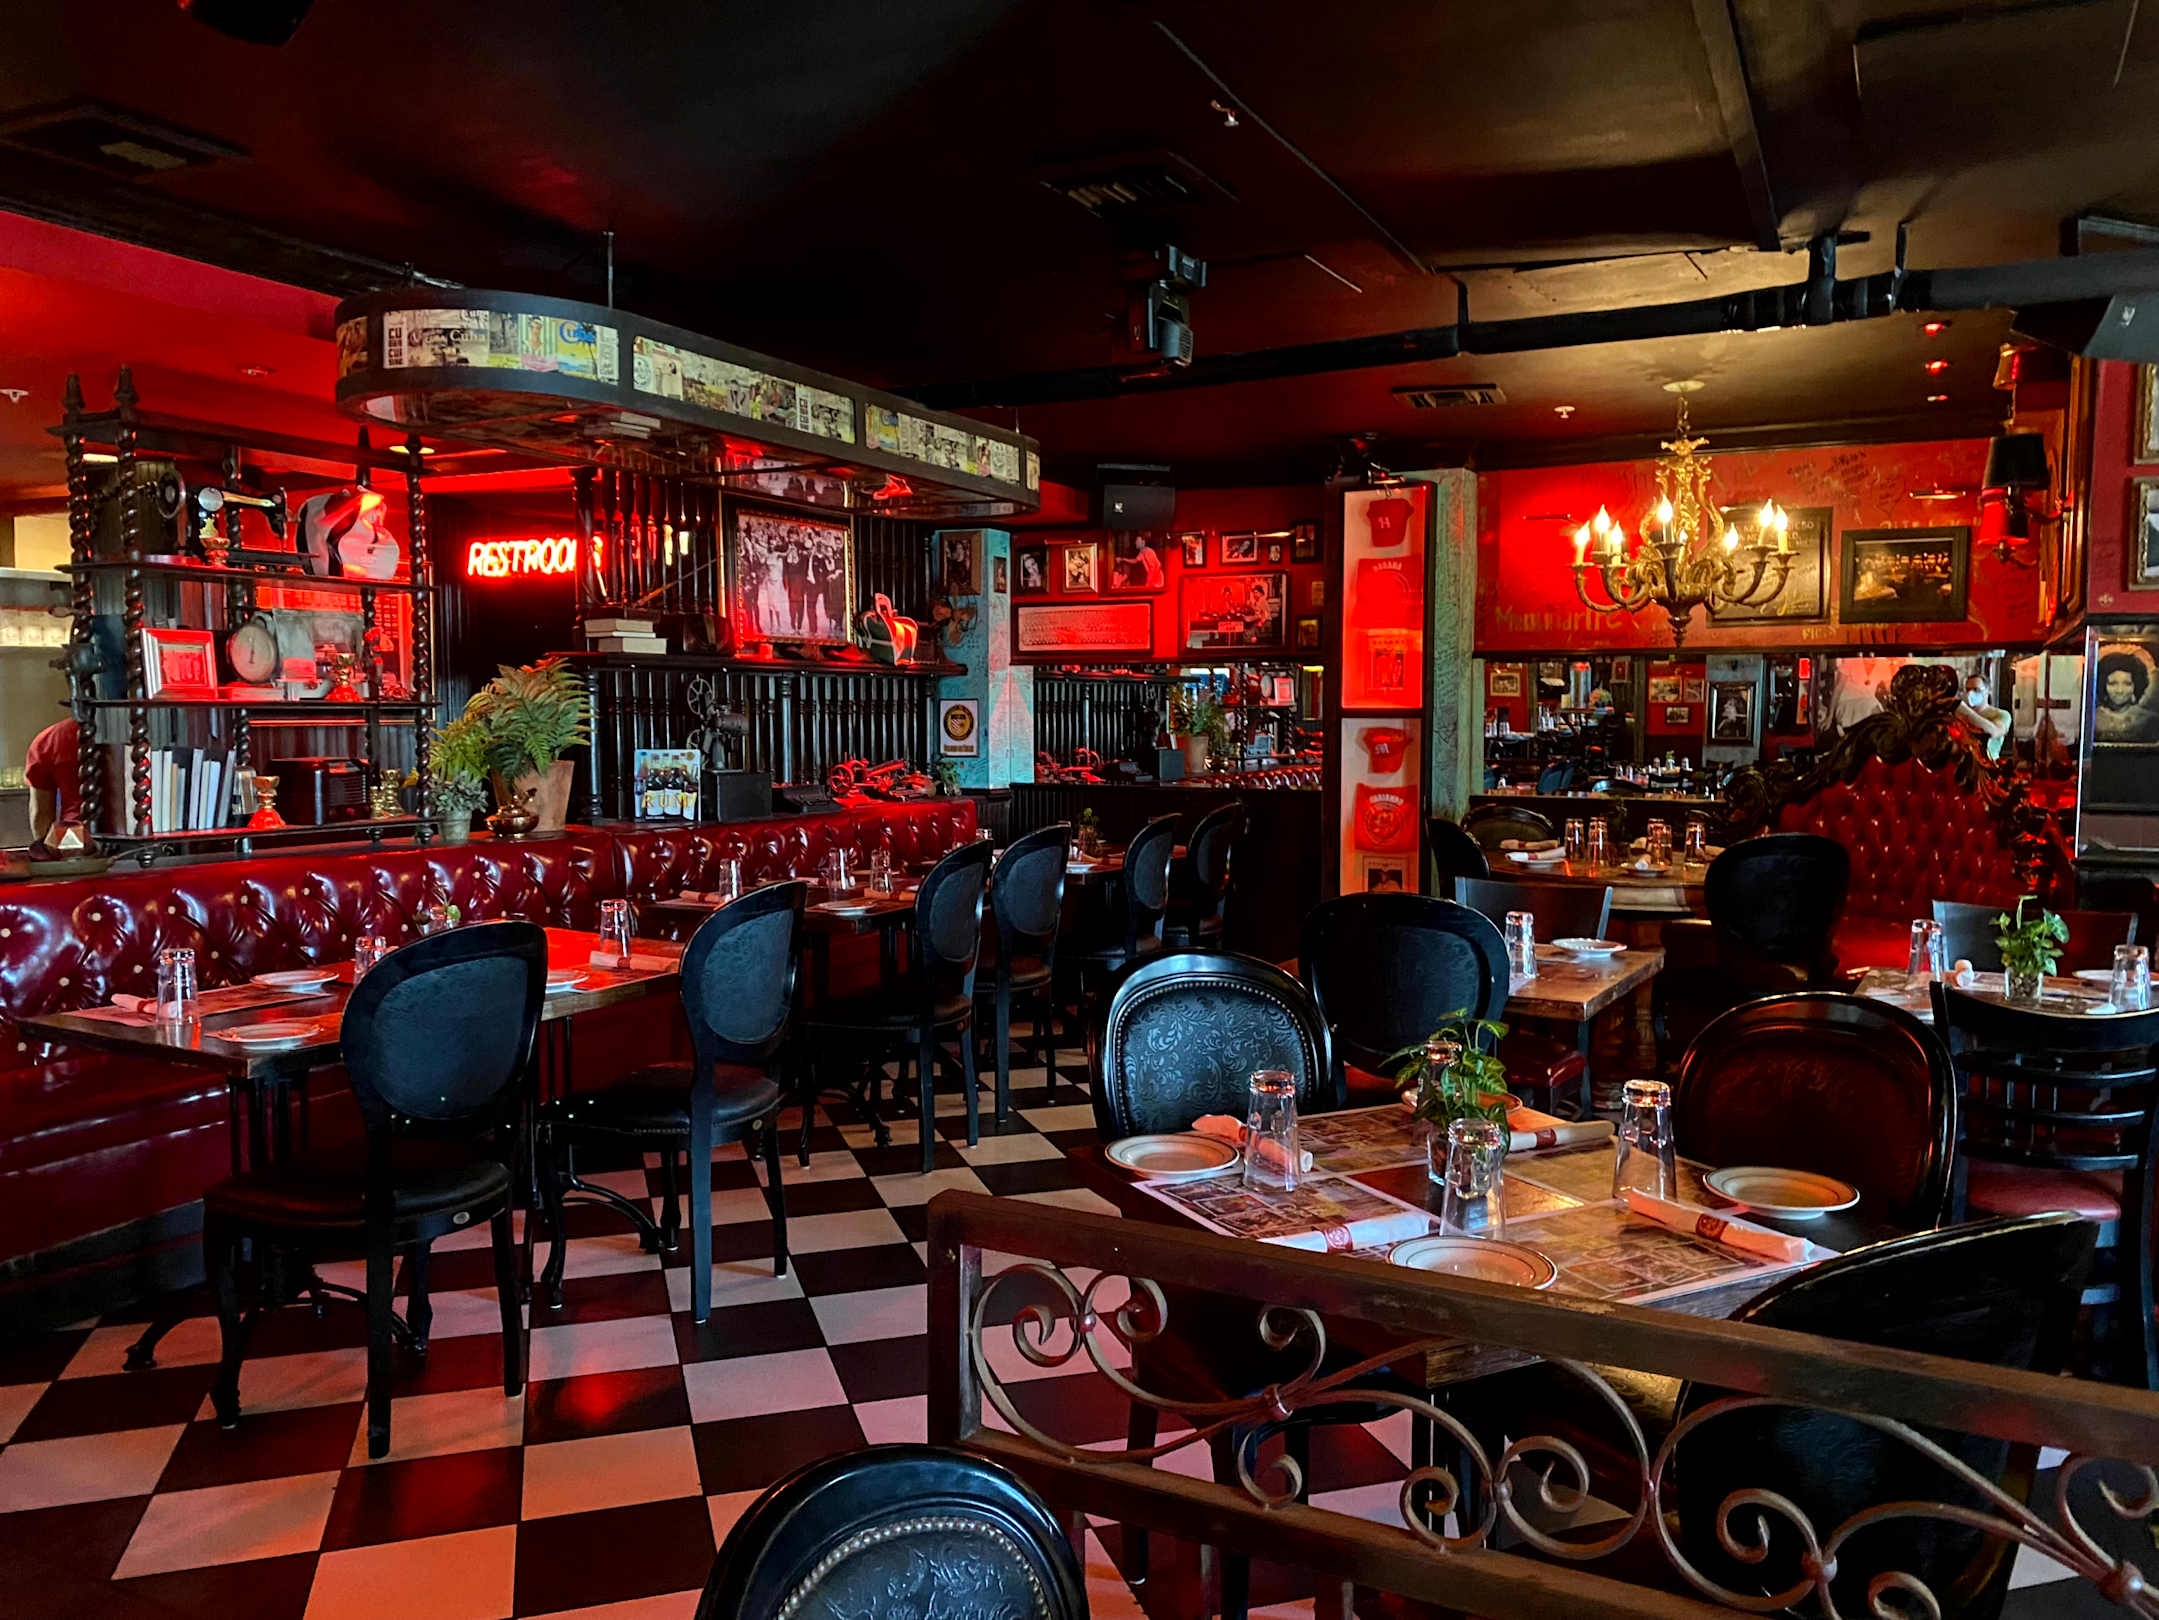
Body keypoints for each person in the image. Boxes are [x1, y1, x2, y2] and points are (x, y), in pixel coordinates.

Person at [25, 715, 80, 846]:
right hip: (128, 836)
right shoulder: (129, 732)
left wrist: (46, 851)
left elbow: (41, 815)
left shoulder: (49, 739)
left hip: (73, 840)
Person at [2095, 648, 2159, 743]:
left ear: (2136, 685)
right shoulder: (2091, 719)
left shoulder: (2149, 720)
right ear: (2102, 685)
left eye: (2127, 684)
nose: (2120, 690)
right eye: (2112, 683)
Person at [1953, 673, 2012, 760]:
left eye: (1976, 689)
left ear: (1988, 691)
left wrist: (1965, 711)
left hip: (1988, 764)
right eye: (1967, 689)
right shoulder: (1959, 714)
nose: (1970, 693)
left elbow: (1995, 731)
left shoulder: (2001, 714)